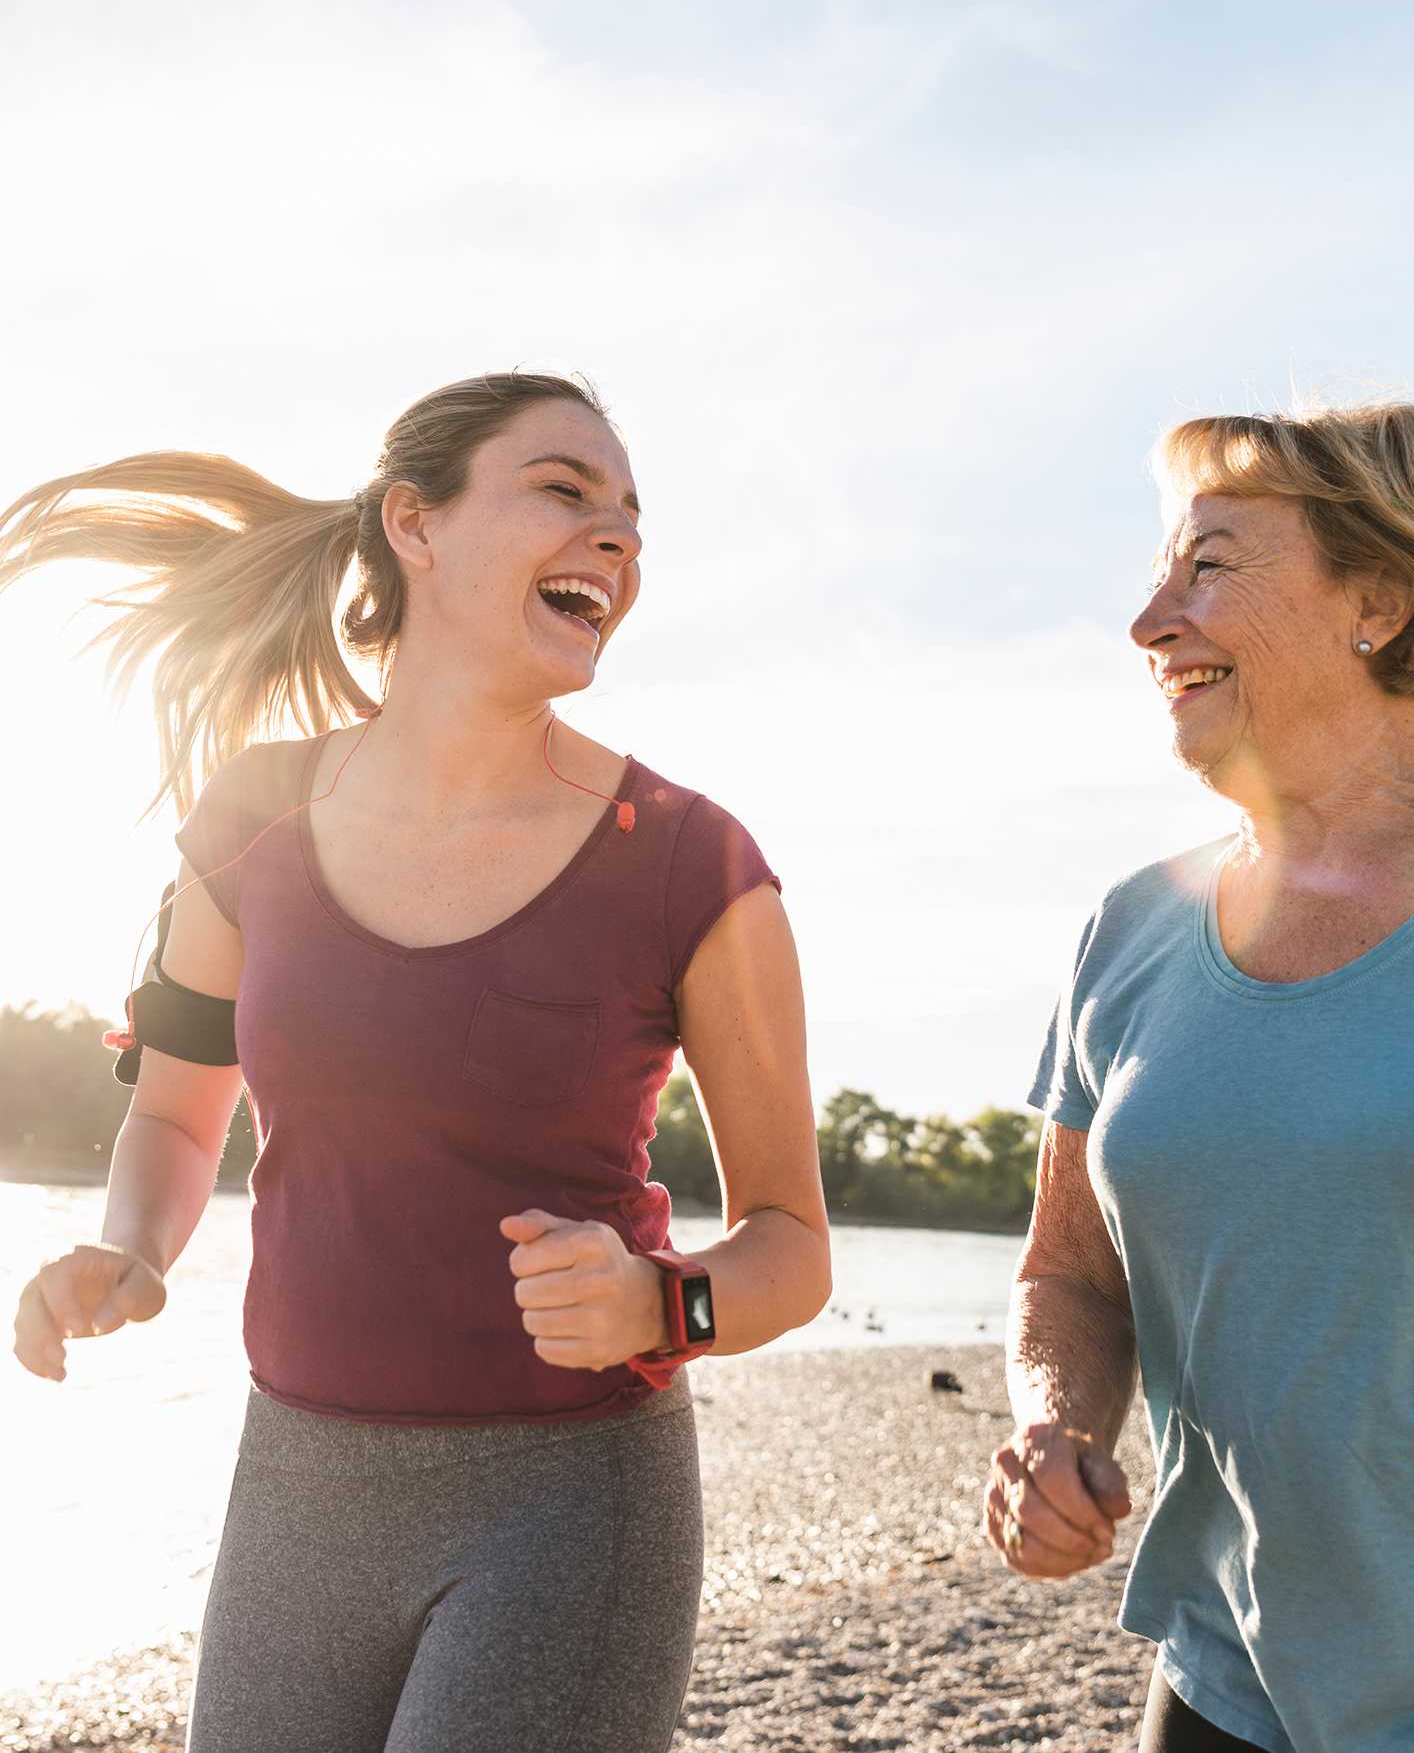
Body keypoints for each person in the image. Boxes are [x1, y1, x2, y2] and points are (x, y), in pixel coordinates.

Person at [6, 371, 832, 1753]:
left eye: (632, 514)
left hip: (571, 1498)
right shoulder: (254, 814)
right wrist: (135, 1253)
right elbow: (174, 1111)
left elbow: (794, 1244)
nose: (618, 538)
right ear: (416, 525)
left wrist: (658, 1304)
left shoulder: (693, 865)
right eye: (565, 492)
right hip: (295, 1485)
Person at [985, 402, 1414, 1752]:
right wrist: (1055, 1430)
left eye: (1208, 564)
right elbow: (1070, 1276)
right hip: (1223, 1686)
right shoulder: (1131, 929)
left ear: (1377, 600)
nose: (1151, 619)